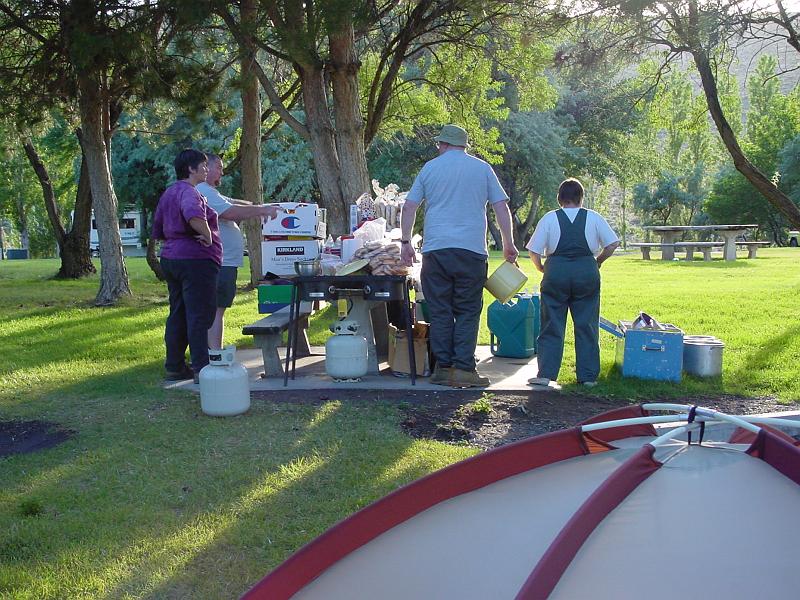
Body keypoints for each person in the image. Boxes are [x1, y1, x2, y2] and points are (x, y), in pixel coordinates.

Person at [401, 124, 518, 388]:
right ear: (464, 146)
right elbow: (501, 206)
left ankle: (443, 369)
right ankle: (464, 369)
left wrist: (406, 242)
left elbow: (409, 206)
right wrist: (509, 244)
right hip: (471, 250)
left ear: (442, 144)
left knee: (440, 309)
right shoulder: (482, 168)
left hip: (436, 250)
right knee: (467, 309)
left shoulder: (430, 168)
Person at [526, 178, 620, 389]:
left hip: (556, 272)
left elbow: (533, 251)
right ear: (581, 198)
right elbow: (613, 243)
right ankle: (587, 376)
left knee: (551, 323)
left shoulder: (550, 218)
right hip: (586, 271)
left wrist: (541, 267)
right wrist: (598, 261)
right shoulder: (593, 218)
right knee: (586, 324)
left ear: (559, 198)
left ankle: (546, 374)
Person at [153, 149, 221, 384]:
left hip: (172, 258)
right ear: (191, 169)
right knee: (199, 314)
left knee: (178, 312)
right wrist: (208, 235)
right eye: (202, 165)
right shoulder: (189, 192)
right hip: (195, 260)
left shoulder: (169, 192)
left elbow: (158, 228)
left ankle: (174, 365)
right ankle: (202, 368)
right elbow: (193, 214)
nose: (206, 169)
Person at [197, 153, 278, 350]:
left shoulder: (211, 192)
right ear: (206, 168)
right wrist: (262, 210)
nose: (222, 172)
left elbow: (236, 204)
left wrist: (262, 208)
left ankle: (213, 352)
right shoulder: (203, 191)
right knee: (215, 310)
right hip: (219, 262)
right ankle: (214, 354)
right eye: (219, 168)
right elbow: (230, 212)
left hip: (226, 262)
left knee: (218, 310)